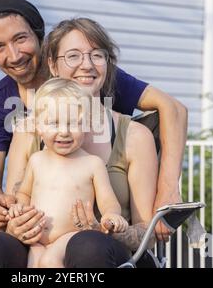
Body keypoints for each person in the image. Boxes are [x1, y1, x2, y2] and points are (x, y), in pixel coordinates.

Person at [0, 0, 187, 268]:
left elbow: (145, 233)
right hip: (38, 248)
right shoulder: (27, 128)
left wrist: (116, 226)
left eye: (97, 56)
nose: (87, 65)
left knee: (87, 245)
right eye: (72, 56)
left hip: (107, 253)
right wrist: (14, 224)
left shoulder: (134, 136)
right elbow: (9, 198)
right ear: (53, 65)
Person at [7, 78, 128, 268]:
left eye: (73, 124)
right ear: (39, 127)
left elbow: (107, 200)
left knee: (49, 262)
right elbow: (24, 193)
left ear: (87, 126)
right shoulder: (37, 160)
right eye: (54, 123)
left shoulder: (92, 164)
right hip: (37, 238)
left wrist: (110, 216)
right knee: (34, 264)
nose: (64, 132)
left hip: (71, 236)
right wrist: (19, 208)